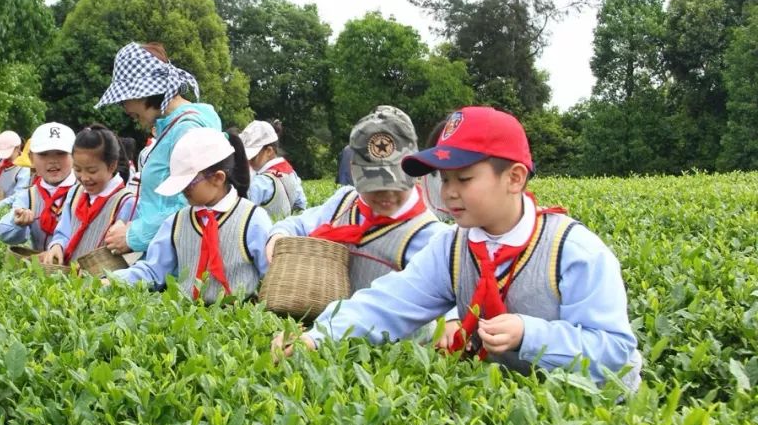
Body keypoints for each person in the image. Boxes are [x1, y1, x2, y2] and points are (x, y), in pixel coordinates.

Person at [272, 106, 643, 391]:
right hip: (509, 404)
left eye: (464, 179)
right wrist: (316, 339)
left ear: (514, 178)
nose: (449, 193)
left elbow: (613, 351)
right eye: (445, 179)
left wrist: (532, 335)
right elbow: (388, 303)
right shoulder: (451, 246)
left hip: (593, 412)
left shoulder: (575, 251)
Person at [266, 106, 447, 294]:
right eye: (373, 183)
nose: (386, 194)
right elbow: (299, 224)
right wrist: (278, 235)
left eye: (396, 181)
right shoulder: (344, 202)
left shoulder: (431, 237)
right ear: (353, 170)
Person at [109, 128, 272, 303]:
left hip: (238, 322)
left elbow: (270, 276)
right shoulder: (176, 222)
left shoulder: (252, 220)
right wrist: (111, 280)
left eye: (188, 184)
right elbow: (153, 271)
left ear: (218, 178)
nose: (182, 190)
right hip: (188, 319)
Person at [95, 42, 222, 257]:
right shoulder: (176, 125)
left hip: (174, 259)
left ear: (145, 91)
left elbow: (191, 203)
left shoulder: (186, 129)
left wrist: (132, 235)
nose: (125, 109)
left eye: (125, 99)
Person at [35, 125, 136, 265]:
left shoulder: (126, 202)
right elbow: (63, 232)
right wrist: (57, 246)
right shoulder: (75, 193)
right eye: (77, 169)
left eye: (92, 171)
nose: (84, 177)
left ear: (112, 166)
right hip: (70, 279)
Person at [0, 123, 77, 252]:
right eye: (44, 154)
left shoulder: (85, 191)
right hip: (42, 269)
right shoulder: (28, 196)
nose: (52, 161)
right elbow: (4, 233)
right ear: (31, 158)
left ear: (75, 156)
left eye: (61, 153)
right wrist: (17, 223)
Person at [240, 119, 307, 220]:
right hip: (285, 233)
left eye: (252, 158)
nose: (249, 162)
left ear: (269, 151)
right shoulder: (290, 173)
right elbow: (301, 204)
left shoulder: (261, 182)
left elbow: (243, 213)